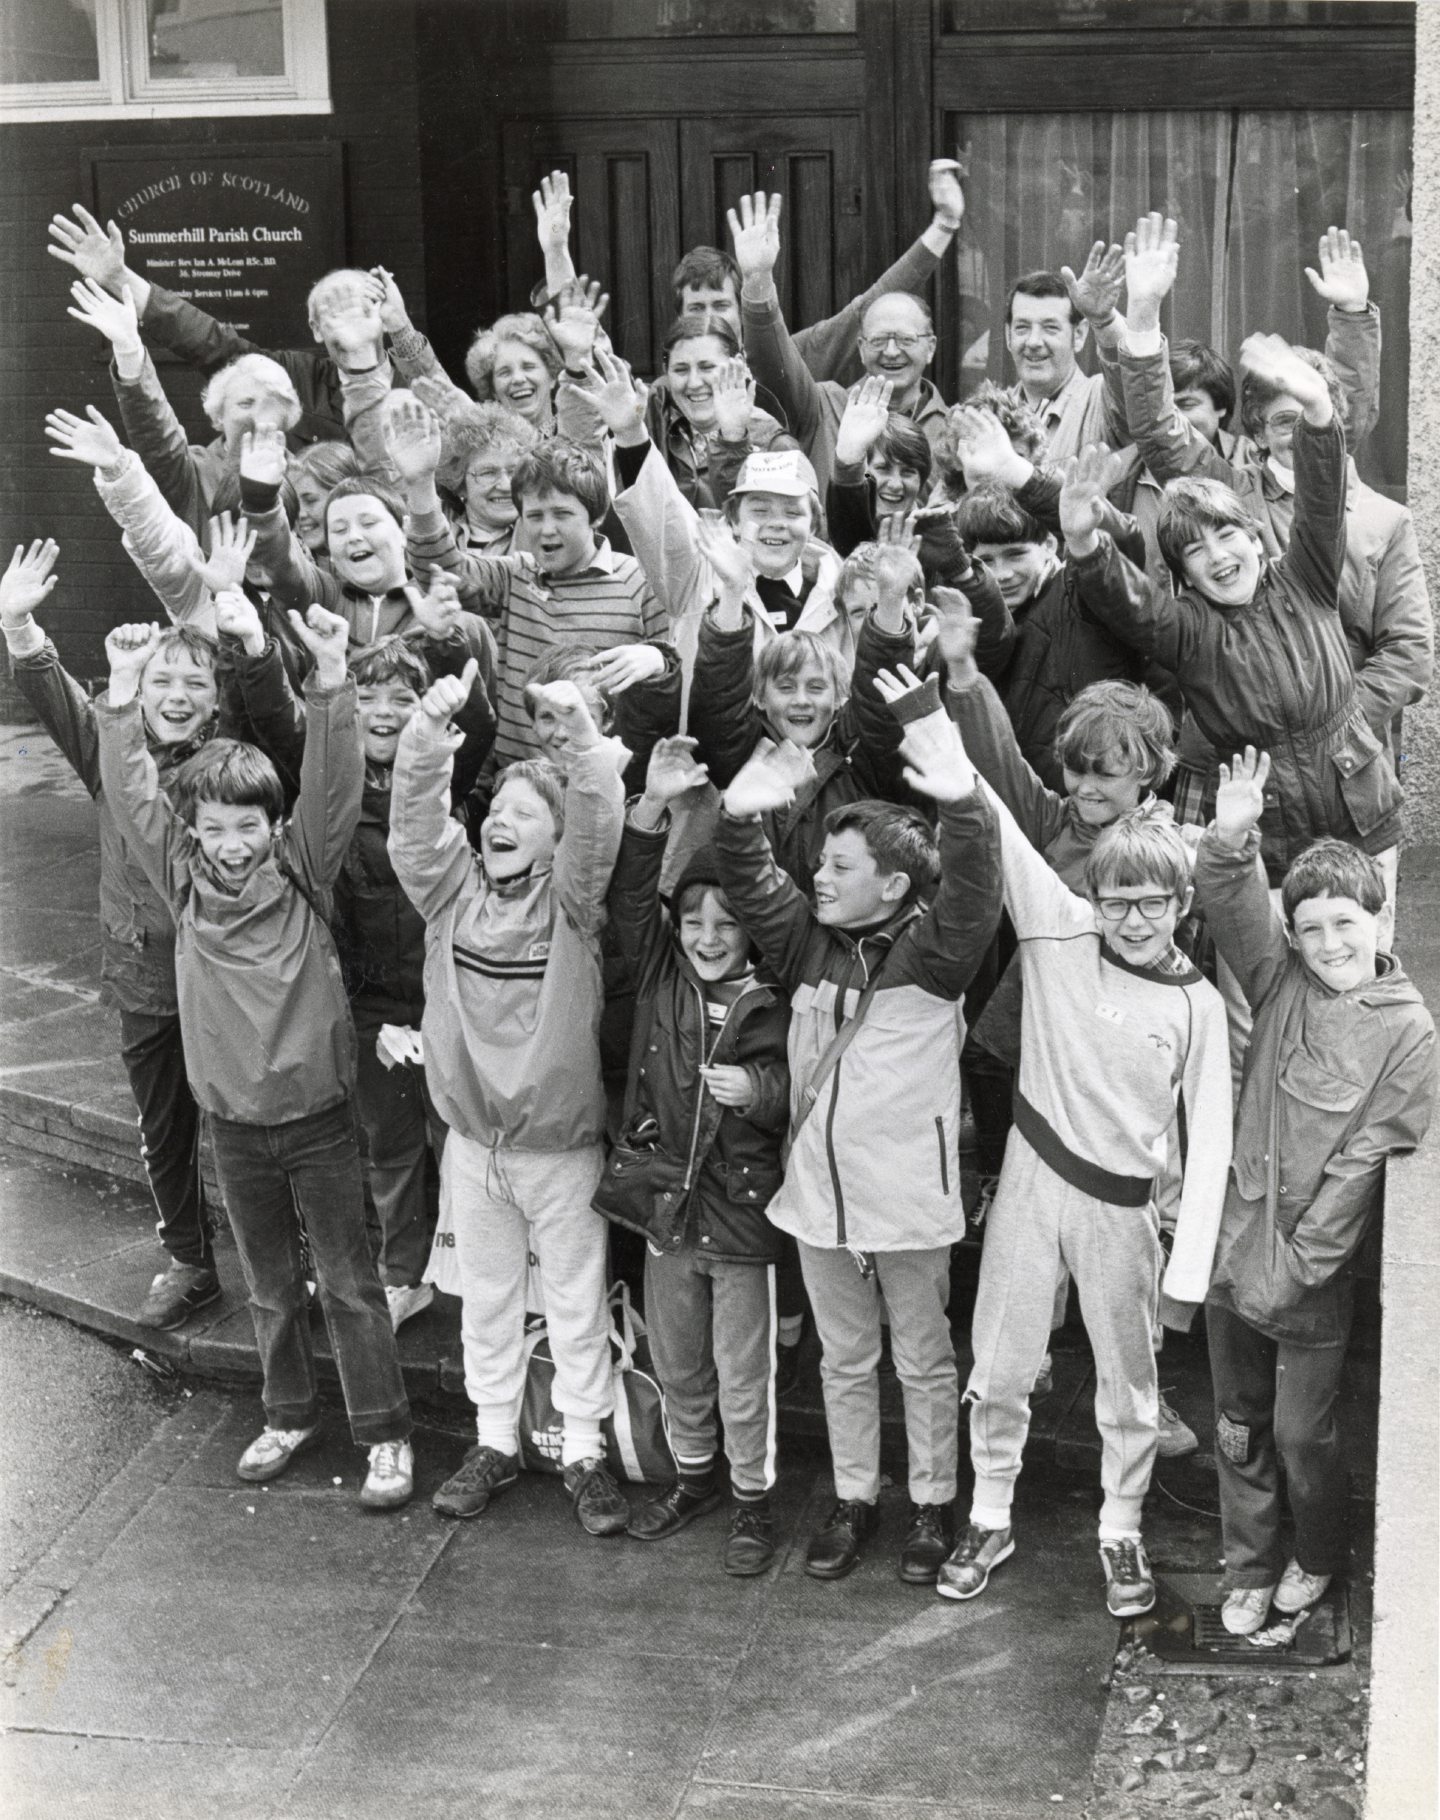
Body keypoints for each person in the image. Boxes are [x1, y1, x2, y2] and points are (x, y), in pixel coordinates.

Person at [93, 606, 416, 1509]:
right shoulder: (184, 882)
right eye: (214, 826)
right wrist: (122, 700)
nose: (231, 842)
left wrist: (332, 678)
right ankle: (289, 1412)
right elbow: (131, 793)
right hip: (235, 1128)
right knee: (271, 1287)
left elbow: (333, 780)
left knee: (351, 1285)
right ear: (191, 830)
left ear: (273, 827)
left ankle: (385, 1432)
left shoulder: (305, 871)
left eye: (248, 825)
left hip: (317, 1123)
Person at [714, 682, 1003, 1587]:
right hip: (817, 1201)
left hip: (909, 1202)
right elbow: (755, 882)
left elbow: (976, 888)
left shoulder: (935, 955)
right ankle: (853, 1496)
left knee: (923, 1357)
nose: (819, 879)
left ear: (894, 882)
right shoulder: (807, 941)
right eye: (821, 863)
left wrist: (958, 796)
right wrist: (734, 818)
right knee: (845, 1358)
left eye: (841, 868)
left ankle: (930, 1503)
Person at [941, 762, 1232, 1617]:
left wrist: (1187, 1274)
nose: (1132, 920)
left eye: (1153, 903)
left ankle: (1122, 1527)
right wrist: (928, 714)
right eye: (1117, 901)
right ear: (1093, 898)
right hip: (1032, 1186)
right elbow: (1000, 824)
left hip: (1123, 1210)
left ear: (1182, 905)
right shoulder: (1059, 932)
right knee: (996, 1363)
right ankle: (989, 1515)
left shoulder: (1200, 1007)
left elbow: (1209, 1144)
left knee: (1128, 1380)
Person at [1193, 748, 1435, 1636]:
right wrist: (1229, 833)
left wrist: (1298, 1266)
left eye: (1346, 923)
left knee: (1303, 1433)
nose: (1331, 943)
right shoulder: (1280, 979)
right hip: (1234, 1245)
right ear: (1291, 936)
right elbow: (1229, 901)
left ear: (1378, 918)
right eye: (1313, 928)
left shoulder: (1407, 1031)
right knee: (1234, 1422)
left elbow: (1365, 1161)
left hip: (1310, 1278)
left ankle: (1321, 1553)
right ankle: (1248, 1563)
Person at [388, 670, 632, 1537]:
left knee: (573, 1300)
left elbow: (600, 818)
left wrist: (579, 729)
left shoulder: (574, 905)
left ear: (557, 839)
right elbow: (415, 831)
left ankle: (587, 1453)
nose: (501, 820)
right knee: (487, 1301)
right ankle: (493, 1440)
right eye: (496, 809)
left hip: (560, 1150)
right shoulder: (451, 896)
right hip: (473, 1148)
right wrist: (425, 729)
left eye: (527, 814)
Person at [1, 541, 227, 1331]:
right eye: (161, 679)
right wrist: (21, 626)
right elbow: (57, 698)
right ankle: (191, 1259)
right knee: (164, 1127)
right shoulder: (110, 751)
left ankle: (285, 1260)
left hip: (229, 981)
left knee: (248, 1125)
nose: (176, 693)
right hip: (144, 973)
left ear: (216, 703)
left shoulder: (237, 766)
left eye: (193, 684)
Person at [600, 736, 792, 1576]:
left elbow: (808, 1079)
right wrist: (650, 810)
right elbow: (631, 902)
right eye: (694, 924)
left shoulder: (780, 993)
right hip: (664, 1208)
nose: (708, 938)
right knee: (677, 1359)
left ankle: (752, 1499)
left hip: (742, 1210)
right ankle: (694, 1475)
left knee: (744, 1372)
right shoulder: (661, 977)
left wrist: (763, 1090)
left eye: (727, 924)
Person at [389, 389, 667, 767]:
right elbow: (442, 571)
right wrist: (421, 485)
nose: (547, 530)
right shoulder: (516, 574)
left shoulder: (638, 580)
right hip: (518, 783)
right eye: (534, 516)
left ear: (596, 516)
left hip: (603, 779)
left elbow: (676, 668)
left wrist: (658, 658)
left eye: (562, 514)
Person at [47, 204, 399, 448]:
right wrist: (119, 277)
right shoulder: (295, 376)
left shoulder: (417, 379)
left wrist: (366, 355)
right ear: (316, 329)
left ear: (385, 313)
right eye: (333, 310)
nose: (348, 318)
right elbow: (207, 340)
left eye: (358, 305)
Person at [688, 530, 920, 894]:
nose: (801, 700)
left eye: (816, 687)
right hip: (764, 930)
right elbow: (718, 697)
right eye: (785, 687)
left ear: (842, 697)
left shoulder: (860, 752)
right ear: (760, 698)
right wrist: (733, 592)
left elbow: (879, 704)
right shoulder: (744, 753)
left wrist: (890, 601)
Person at [733, 192, 951, 491]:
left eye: (905, 339)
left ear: (931, 347)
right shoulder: (824, 408)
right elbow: (773, 361)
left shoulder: (954, 430)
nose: (891, 351)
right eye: (878, 340)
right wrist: (758, 279)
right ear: (860, 348)